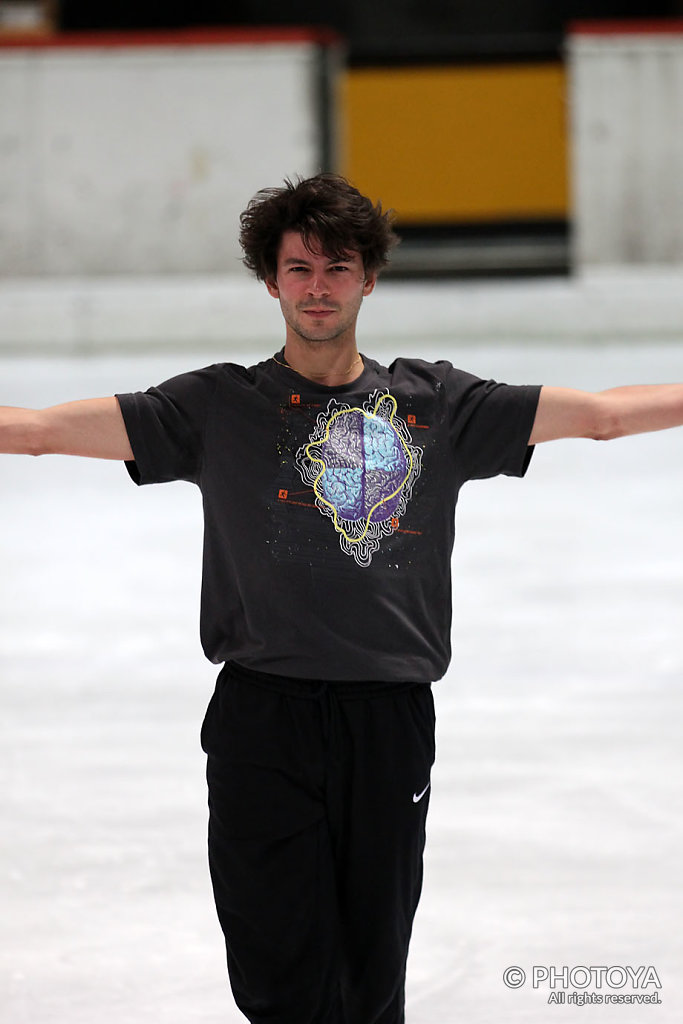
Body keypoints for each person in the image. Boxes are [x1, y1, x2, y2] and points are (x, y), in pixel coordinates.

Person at [1, 173, 682, 1024]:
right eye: (298, 269)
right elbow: (34, 432)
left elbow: (605, 416)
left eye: (336, 267)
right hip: (262, 720)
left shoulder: (440, 404)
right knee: (277, 973)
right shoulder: (214, 407)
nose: (317, 287)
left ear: (369, 278)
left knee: (368, 979)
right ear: (269, 281)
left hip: (387, 724)